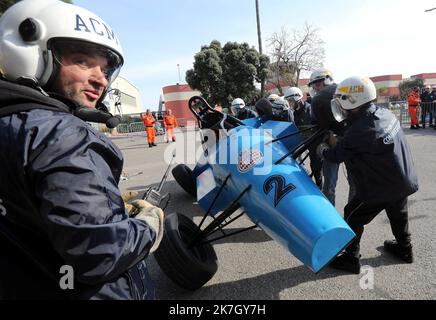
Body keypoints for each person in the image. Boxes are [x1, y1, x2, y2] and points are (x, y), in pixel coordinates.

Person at [0, 0, 163, 299]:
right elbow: (100, 253)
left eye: (104, 68)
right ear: (34, 56)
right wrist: (147, 227)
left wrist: (97, 202)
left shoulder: (12, 122)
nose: (100, 78)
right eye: (83, 61)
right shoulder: (61, 133)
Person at [317, 76, 418, 274]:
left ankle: (351, 258)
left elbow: (336, 156)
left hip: (380, 186)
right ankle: (405, 250)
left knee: (352, 216)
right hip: (401, 178)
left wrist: (322, 148)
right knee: (398, 214)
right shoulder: (384, 113)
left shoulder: (360, 129)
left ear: (352, 101)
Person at [309, 68, 347, 205]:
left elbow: (316, 124)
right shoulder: (345, 91)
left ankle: (331, 217)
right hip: (351, 141)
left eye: (317, 84)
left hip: (332, 144)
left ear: (326, 80)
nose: (315, 87)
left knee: (329, 186)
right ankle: (353, 221)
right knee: (354, 183)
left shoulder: (318, 99)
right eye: (313, 84)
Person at [284, 87, 322, 188]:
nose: (290, 103)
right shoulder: (295, 112)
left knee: (317, 169)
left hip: (316, 144)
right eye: (288, 101)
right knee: (312, 166)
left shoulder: (310, 109)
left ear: (298, 98)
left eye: (291, 101)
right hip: (306, 143)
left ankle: (320, 188)